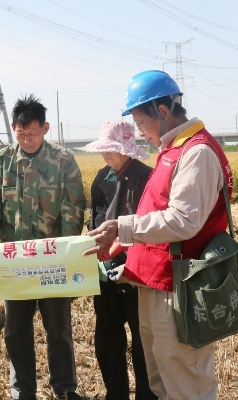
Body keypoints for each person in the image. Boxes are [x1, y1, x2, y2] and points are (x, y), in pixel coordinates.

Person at [86, 70, 233, 400]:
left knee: (186, 384)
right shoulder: (173, 150)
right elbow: (158, 220)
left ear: (163, 112)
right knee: (161, 383)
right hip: (157, 283)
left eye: (140, 122)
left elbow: (183, 221)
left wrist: (123, 229)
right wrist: (135, 265)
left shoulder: (196, 153)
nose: (139, 132)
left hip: (180, 287)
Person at [0, 94, 86, 400]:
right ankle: (23, 390)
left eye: (32, 134)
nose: (26, 139)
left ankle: (65, 389)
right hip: (16, 263)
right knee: (16, 331)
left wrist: (67, 253)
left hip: (52, 261)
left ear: (45, 128)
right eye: (20, 134)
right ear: (14, 129)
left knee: (59, 330)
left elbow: (73, 208)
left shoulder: (63, 161)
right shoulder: (3, 161)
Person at [78, 120, 156, 400]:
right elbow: (96, 216)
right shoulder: (101, 177)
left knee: (143, 339)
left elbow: (152, 224)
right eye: (104, 149)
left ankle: (148, 395)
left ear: (127, 149)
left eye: (111, 149)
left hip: (137, 271)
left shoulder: (146, 176)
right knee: (108, 338)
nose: (106, 154)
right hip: (105, 270)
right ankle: (116, 394)